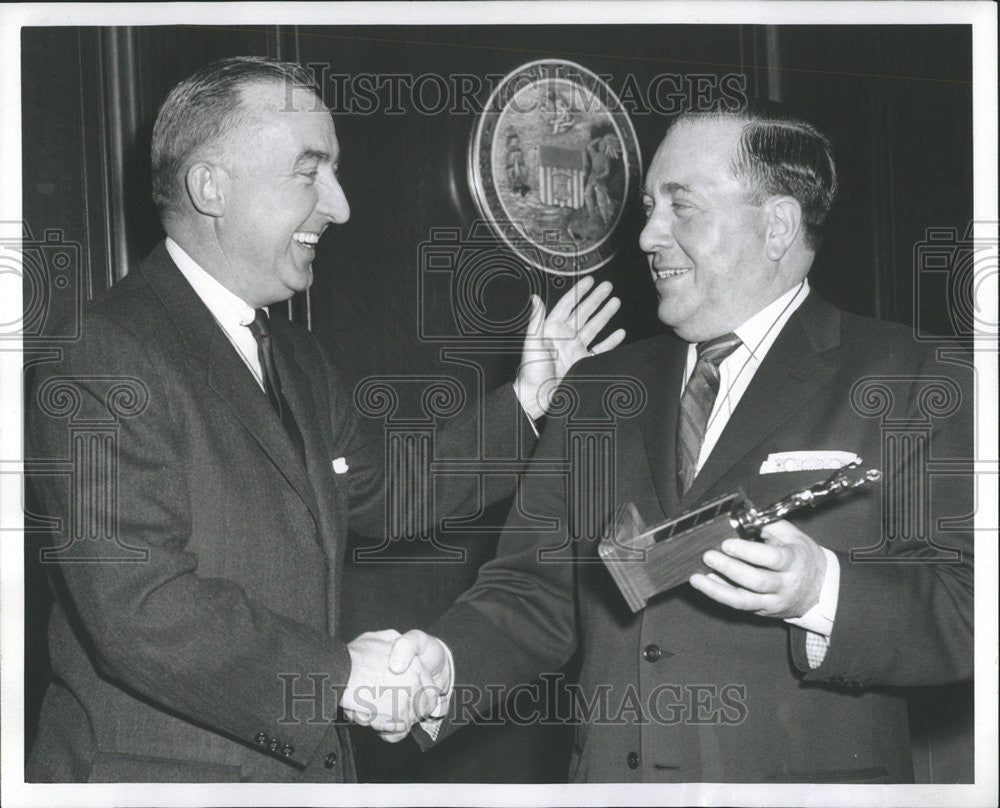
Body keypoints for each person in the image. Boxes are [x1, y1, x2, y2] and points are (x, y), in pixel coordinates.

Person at [24, 56, 625, 783]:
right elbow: (140, 607)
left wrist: (528, 401)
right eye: (309, 172)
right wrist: (337, 675)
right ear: (210, 187)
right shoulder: (105, 353)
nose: (339, 206)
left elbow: (384, 491)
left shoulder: (292, 356)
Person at [376, 103, 974, 782]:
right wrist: (441, 668)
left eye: (681, 206)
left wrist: (820, 590)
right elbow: (530, 593)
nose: (648, 235)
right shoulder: (598, 387)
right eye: (649, 206)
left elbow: (970, 605)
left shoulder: (914, 375)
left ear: (776, 225)